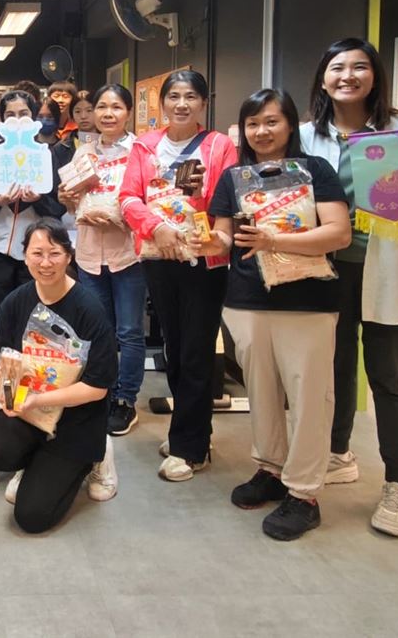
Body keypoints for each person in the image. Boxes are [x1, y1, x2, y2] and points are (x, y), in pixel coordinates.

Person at [300, 38, 398, 538]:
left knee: (389, 376)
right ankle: (338, 452)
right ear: (323, 78)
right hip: (328, 269)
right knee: (334, 367)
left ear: (375, 75)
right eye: (337, 67)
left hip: (387, 267)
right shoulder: (306, 136)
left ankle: (397, 483)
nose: (348, 75)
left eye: (359, 67)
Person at [199, 89, 351, 540]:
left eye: (271, 121)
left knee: (309, 396)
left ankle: (304, 492)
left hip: (308, 300)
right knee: (261, 389)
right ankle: (271, 468)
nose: (261, 131)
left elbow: (338, 233)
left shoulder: (314, 170)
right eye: (253, 123)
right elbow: (225, 236)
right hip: (247, 300)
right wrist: (205, 240)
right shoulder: (235, 177)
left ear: (290, 125)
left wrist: (274, 241)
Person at [118, 69, 236, 482]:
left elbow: (227, 200)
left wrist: (199, 210)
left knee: (196, 351)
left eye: (190, 97)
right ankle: (190, 430)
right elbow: (128, 197)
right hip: (159, 256)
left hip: (204, 261)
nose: (181, 104)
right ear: (162, 103)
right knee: (173, 346)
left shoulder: (219, 145)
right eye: (174, 96)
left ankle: (191, 447)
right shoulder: (145, 145)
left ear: (203, 103)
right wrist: (157, 228)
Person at [0, 219, 119, 533]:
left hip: (77, 417)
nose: (45, 262)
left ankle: (98, 455)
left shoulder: (90, 309)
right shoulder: (14, 304)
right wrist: (2, 380)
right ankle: (33, 462)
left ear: (69, 256)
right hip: (30, 412)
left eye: (54, 253)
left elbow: (98, 388)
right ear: (25, 256)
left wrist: (39, 398)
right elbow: (6, 361)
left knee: (32, 517)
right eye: (37, 253)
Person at [58, 85, 147, 438]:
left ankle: (126, 399)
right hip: (90, 253)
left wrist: (119, 218)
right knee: (100, 330)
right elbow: (74, 204)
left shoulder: (140, 151)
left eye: (116, 107)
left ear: (129, 112)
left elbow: (149, 200)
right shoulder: (84, 151)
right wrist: (67, 199)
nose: (108, 114)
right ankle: (103, 393)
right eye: (102, 107)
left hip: (128, 253)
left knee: (130, 331)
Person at [0, 90, 65, 309]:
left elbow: (58, 205)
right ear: (2, 120)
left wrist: (38, 199)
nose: (17, 121)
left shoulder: (45, 155)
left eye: (24, 114)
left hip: (36, 247)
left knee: (31, 306)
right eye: (10, 115)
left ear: (33, 117)